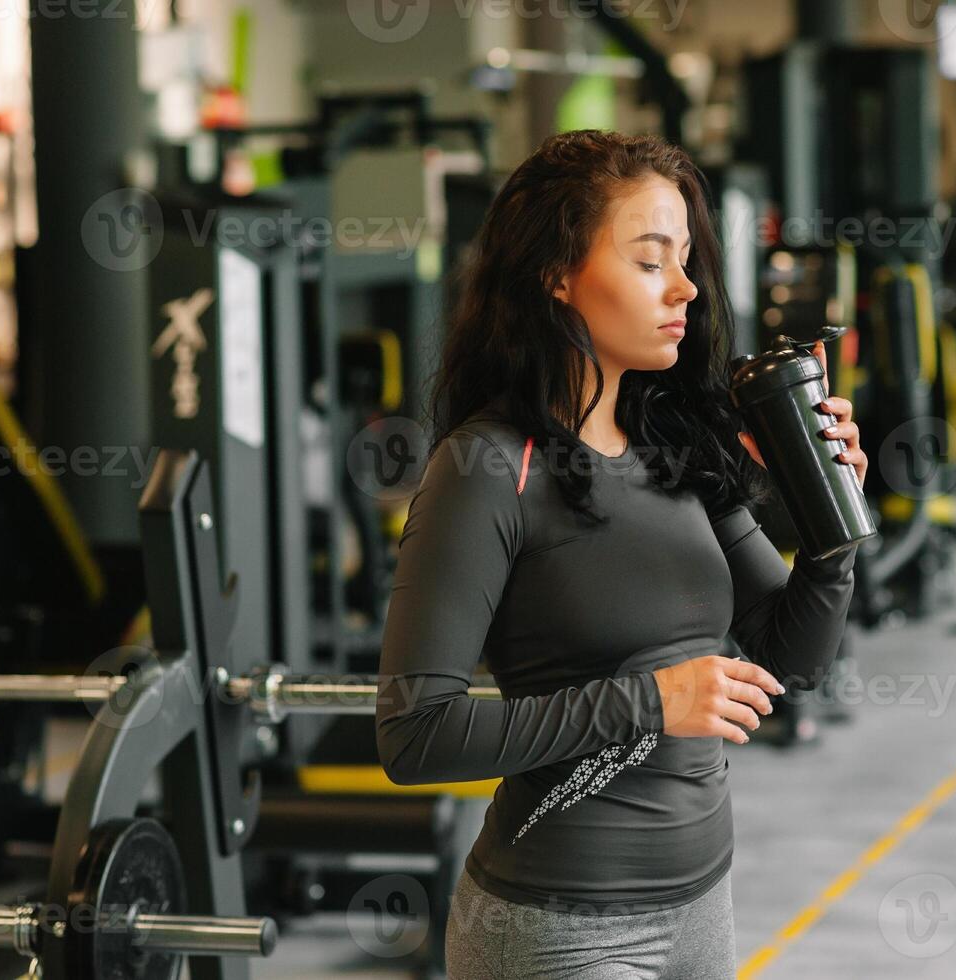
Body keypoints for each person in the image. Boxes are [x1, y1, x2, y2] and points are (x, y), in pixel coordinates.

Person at [374, 129, 868, 979]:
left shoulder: (670, 440)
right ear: (556, 274)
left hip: (701, 907)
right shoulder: (489, 467)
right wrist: (649, 702)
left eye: (684, 261)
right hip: (561, 932)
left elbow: (794, 661)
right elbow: (415, 734)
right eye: (649, 262)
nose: (684, 289)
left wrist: (831, 533)